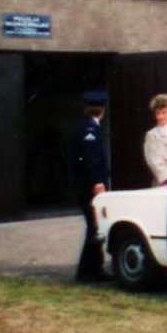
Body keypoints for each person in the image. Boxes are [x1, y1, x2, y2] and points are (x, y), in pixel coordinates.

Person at [69, 90, 110, 283]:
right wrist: (98, 182)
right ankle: (88, 271)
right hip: (91, 186)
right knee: (94, 227)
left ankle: (94, 268)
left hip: (86, 185)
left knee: (94, 227)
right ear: (102, 109)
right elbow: (91, 159)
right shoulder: (90, 130)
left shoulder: (85, 126)